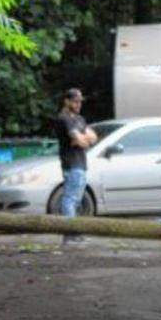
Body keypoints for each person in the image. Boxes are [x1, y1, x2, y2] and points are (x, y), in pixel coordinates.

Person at [53, 88, 97, 244]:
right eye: (76, 101)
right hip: (72, 164)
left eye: (80, 101)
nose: (79, 104)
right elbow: (82, 141)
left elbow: (93, 138)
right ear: (67, 101)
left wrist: (82, 138)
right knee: (70, 200)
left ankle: (73, 234)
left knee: (74, 200)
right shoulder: (63, 119)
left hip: (80, 164)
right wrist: (81, 139)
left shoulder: (79, 119)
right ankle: (71, 235)